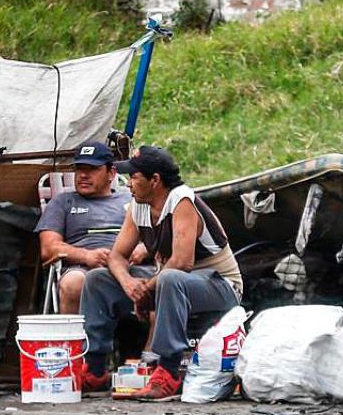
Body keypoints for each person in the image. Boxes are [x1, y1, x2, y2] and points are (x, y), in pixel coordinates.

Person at [79, 145, 243, 400]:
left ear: (155, 180)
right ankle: (95, 367)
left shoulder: (182, 201)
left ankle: (168, 371)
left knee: (170, 277)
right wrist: (129, 284)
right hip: (171, 284)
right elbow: (117, 256)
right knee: (97, 279)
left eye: (134, 177)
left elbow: (182, 262)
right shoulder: (139, 205)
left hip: (220, 286)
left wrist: (146, 286)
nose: (129, 183)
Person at [34, 141, 139, 314]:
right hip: (83, 269)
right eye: (80, 168)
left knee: (163, 281)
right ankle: (75, 340)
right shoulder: (62, 202)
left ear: (111, 173)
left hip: (130, 265)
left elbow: (156, 236)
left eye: (92, 169)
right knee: (73, 283)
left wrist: (142, 249)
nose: (83, 175)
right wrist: (87, 256)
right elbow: (48, 248)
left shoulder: (131, 200)